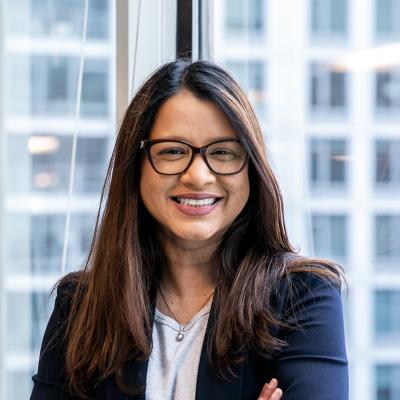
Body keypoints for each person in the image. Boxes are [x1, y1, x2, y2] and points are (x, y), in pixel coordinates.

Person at [30, 59, 349, 400]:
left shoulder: (304, 297)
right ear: (136, 165)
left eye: (224, 152)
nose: (198, 176)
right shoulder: (80, 306)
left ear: (251, 168)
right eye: (173, 151)